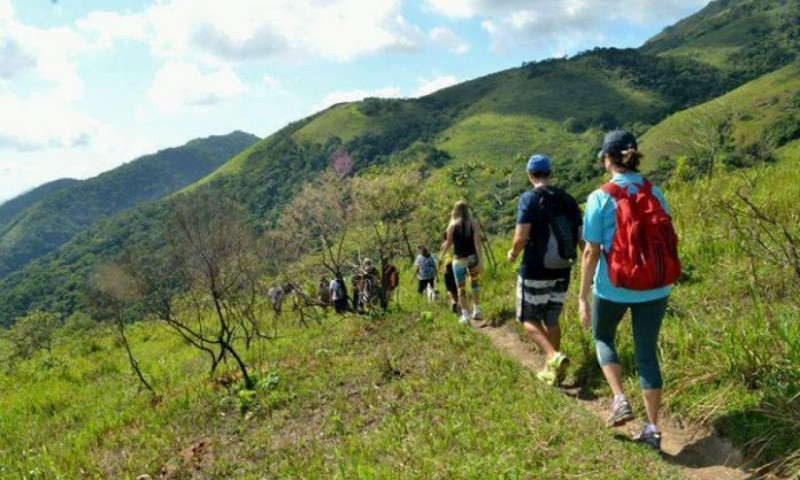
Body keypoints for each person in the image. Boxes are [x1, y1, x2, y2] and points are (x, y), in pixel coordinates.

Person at [579, 130, 681, 451]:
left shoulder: (600, 196)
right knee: (646, 351)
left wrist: (582, 295)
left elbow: (590, 252)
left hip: (614, 287)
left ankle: (619, 398)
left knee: (603, 336)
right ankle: (652, 428)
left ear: (608, 159)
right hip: (657, 285)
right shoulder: (655, 191)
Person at [507, 154, 583, 386]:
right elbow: (581, 238)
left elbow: (521, 236)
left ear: (530, 175)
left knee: (528, 318)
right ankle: (553, 372)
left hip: (536, 269)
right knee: (552, 318)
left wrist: (512, 253)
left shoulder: (529, 199)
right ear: (550, 174)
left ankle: (553, 356)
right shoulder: (568, 199)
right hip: (563, 268)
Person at [439, 201, 484, 325]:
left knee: (461, 288)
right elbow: (477, 243)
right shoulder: (474, 224)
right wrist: (480, 260)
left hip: (458, 260)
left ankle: (465, 315)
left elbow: (448, 244)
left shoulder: (452, 226)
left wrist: (441, 256)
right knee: (474, 284)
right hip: (473, 258)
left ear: (455, 211)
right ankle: (477, 310)